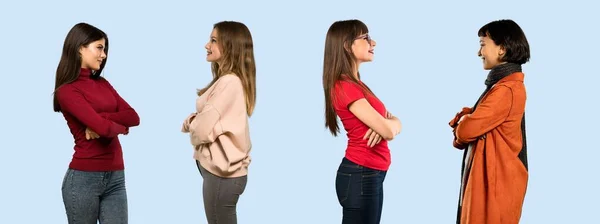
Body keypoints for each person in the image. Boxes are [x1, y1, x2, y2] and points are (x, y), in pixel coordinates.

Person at [53, 22, 140, 224]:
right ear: (79, 48)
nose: (104, 55)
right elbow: (104, 129)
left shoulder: (103, 83)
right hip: (84, 179)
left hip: (116, 177)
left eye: (105, 49)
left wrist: (103, 119)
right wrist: (112, 125)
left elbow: (133, 117)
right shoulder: (67, 91)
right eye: (99, 48)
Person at [449, 19, 530, 224]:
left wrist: (467, 118)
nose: (479, 52)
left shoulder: (506, 90)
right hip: (492, 184)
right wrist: (470, 119)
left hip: (494, 188)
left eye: (483, 44)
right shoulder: (501, 87)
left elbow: (465, 132)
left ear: (502, 49)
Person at [322, 19, 402, 224]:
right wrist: (388, 125)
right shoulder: (344, 86)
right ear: (347, 45)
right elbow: (389, 131)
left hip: (369, 174)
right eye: (365, 38)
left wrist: (391, 123)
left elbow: (391, 124)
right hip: (361, 175)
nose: (373, 43)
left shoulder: (357, 84)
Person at [181, 21, 256, 224]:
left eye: (213, 40)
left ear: (230, 46)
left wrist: (191, 122)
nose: (207, 45)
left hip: (222, 177)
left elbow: (201, 130)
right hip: (224, 175)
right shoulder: (230, 80)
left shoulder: (229, 82)